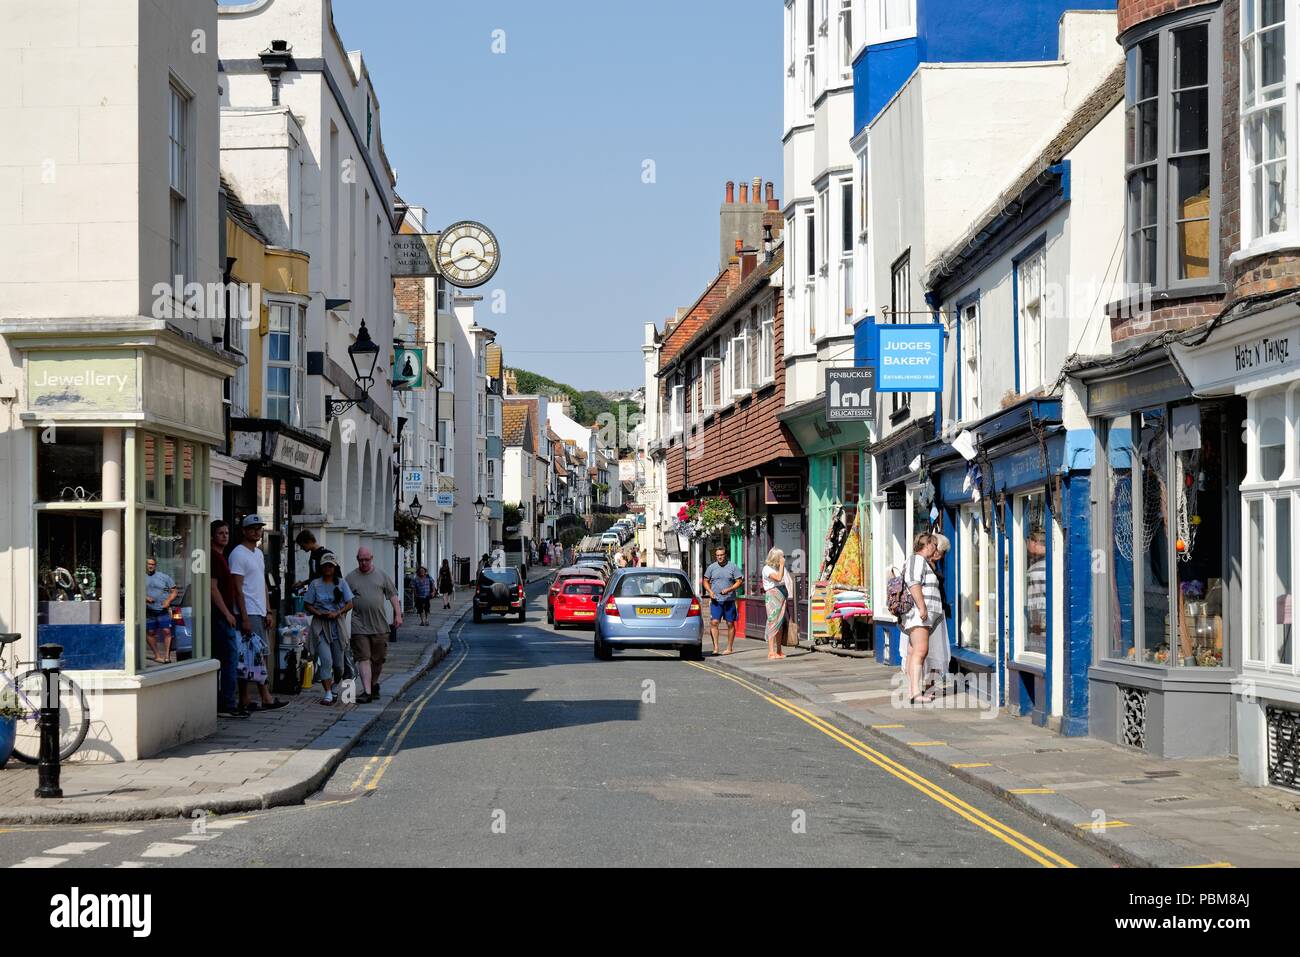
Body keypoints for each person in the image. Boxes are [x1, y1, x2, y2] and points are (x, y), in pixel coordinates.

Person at [227, 515, 286, 712]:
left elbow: (261, 584)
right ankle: (265, 697)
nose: (256, 531)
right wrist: (243, 617)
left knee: (251, 656)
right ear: (244, 531)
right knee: (255, 656)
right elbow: (237, 588)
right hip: (248, 612)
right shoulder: (238, 554)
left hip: (260, 611)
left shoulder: (258, 554)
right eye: (252, 528)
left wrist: (268, 610)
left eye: (259, 528)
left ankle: (245, 699)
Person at [346, 549, 401, 703]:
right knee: (363, 658)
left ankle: (373, 683)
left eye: (366, 560)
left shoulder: (381, 575)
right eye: (361, 560)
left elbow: (393, 595)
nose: (364, 563)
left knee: (378, 660)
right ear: (357, 559)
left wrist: (398, 614)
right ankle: (367, 692)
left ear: (372, 558)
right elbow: (344, 600)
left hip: (379, 626)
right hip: (359, 625)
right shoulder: (350, 578)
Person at [902, 534, 952, 694]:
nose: (936, 549)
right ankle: (915, 692)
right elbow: (913, 583)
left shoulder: (921, 561)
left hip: (922, 616)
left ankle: (913, 690)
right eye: (935, 545)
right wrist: (922, 607)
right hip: (918, 615)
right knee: (920, 651)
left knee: (915, 651)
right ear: (928, 544)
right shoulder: (916, 560)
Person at [303, 553, 354, 706]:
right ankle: (327, 693)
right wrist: (318, 612)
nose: (328, 568)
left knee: (338, 665)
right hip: (320, 626)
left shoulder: (341, 583)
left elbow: (350, 603)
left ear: (335, 567)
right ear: (321, 567)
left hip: (337, 625)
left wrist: (337, 612)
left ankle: (334, 685)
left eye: (330, 565)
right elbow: (307, 604)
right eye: (325, 565)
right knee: (326, 660)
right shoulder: (315, 584)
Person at [209, 521, 246, 718]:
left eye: (227, 532)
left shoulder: (222, 557)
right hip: (220, 617)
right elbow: (212, 588)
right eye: (220, 533)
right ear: (212, 536)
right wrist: (227, 613)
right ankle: (227, 704)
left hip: (222, 616)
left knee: (222, 659)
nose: (225, 536)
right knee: (230, 659)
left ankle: (223, 701)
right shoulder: (214, 558)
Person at [702, 546, 743, 656]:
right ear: (715, 556)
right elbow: (705, 581)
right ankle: (716, 648)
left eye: (722, 555)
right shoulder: (711, 567)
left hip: (729, 600)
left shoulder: (733, 567)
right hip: (716, 600)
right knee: (714, 622)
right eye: (718, 555)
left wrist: (730, 589)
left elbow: (739, 581)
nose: (720, 557)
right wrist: (710, 591)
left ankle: (729, 648)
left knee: (730, 623)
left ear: (725, 555)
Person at [144, 556, 178, 664]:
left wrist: (168, 601)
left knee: (167, 631)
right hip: (148, 610)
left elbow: (174, 591)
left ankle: (167, 656)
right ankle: (157, 655)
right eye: (148, 564)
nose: (150, 566)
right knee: (150, 632)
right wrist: (145, 597)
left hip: (162, 610)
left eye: (152, 564)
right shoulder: (139, 577)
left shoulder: (164, 577)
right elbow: (134, 591)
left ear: (155, 565)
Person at [761, 547, 788, 660]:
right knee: (773, 621)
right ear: (776, 558)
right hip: (773, 595)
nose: (783, 559)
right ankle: (771, 652)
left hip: (781, 594)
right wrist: (782, 565)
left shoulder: (777, 567)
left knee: (779, 623)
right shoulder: (767, 568)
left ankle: (779, 650)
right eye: (781, 557)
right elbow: (778, 578)